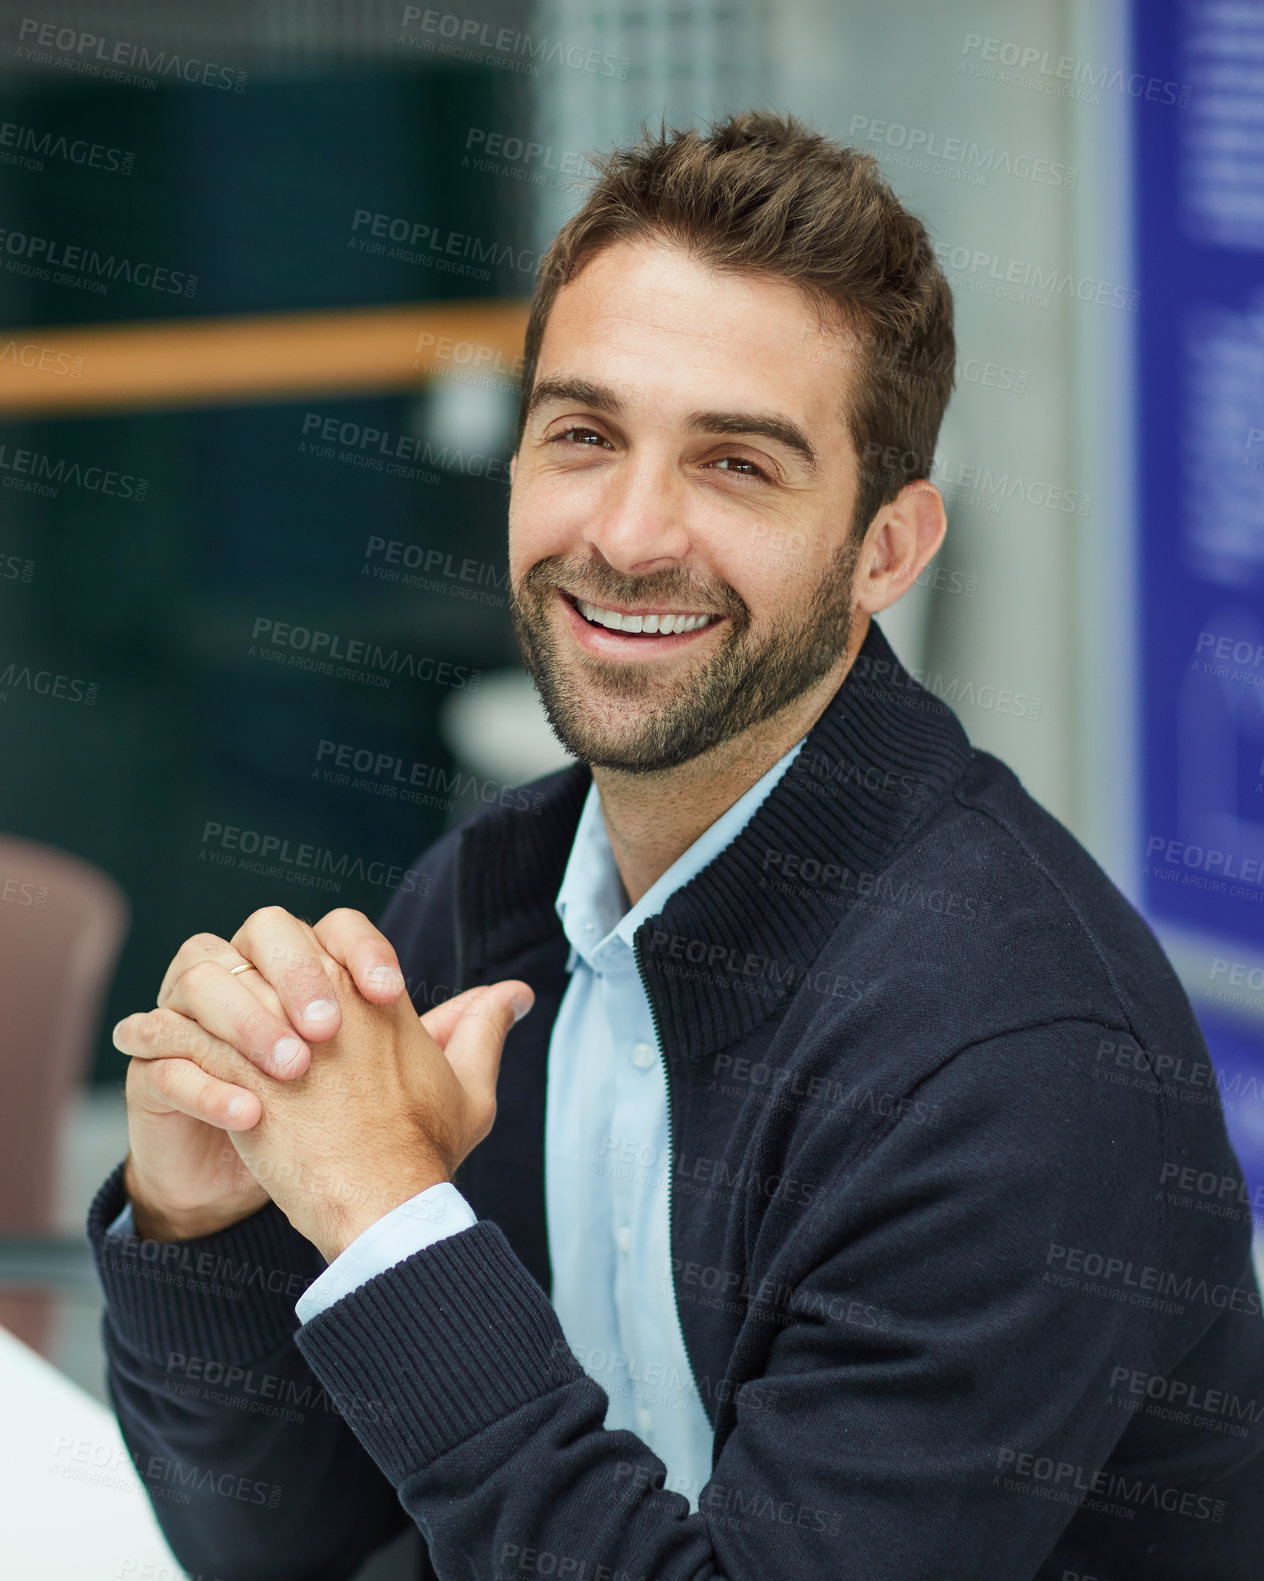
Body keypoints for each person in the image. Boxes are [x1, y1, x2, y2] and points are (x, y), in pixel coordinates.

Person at [90, 110, 1264, 1581]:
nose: (633, 533)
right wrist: (206, 1228)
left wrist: (389, 1221)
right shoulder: (490, 896)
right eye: (584, 434)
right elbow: (294, 1552)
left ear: (887, 550)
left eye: (737, 465)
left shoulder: (1016, 1059)